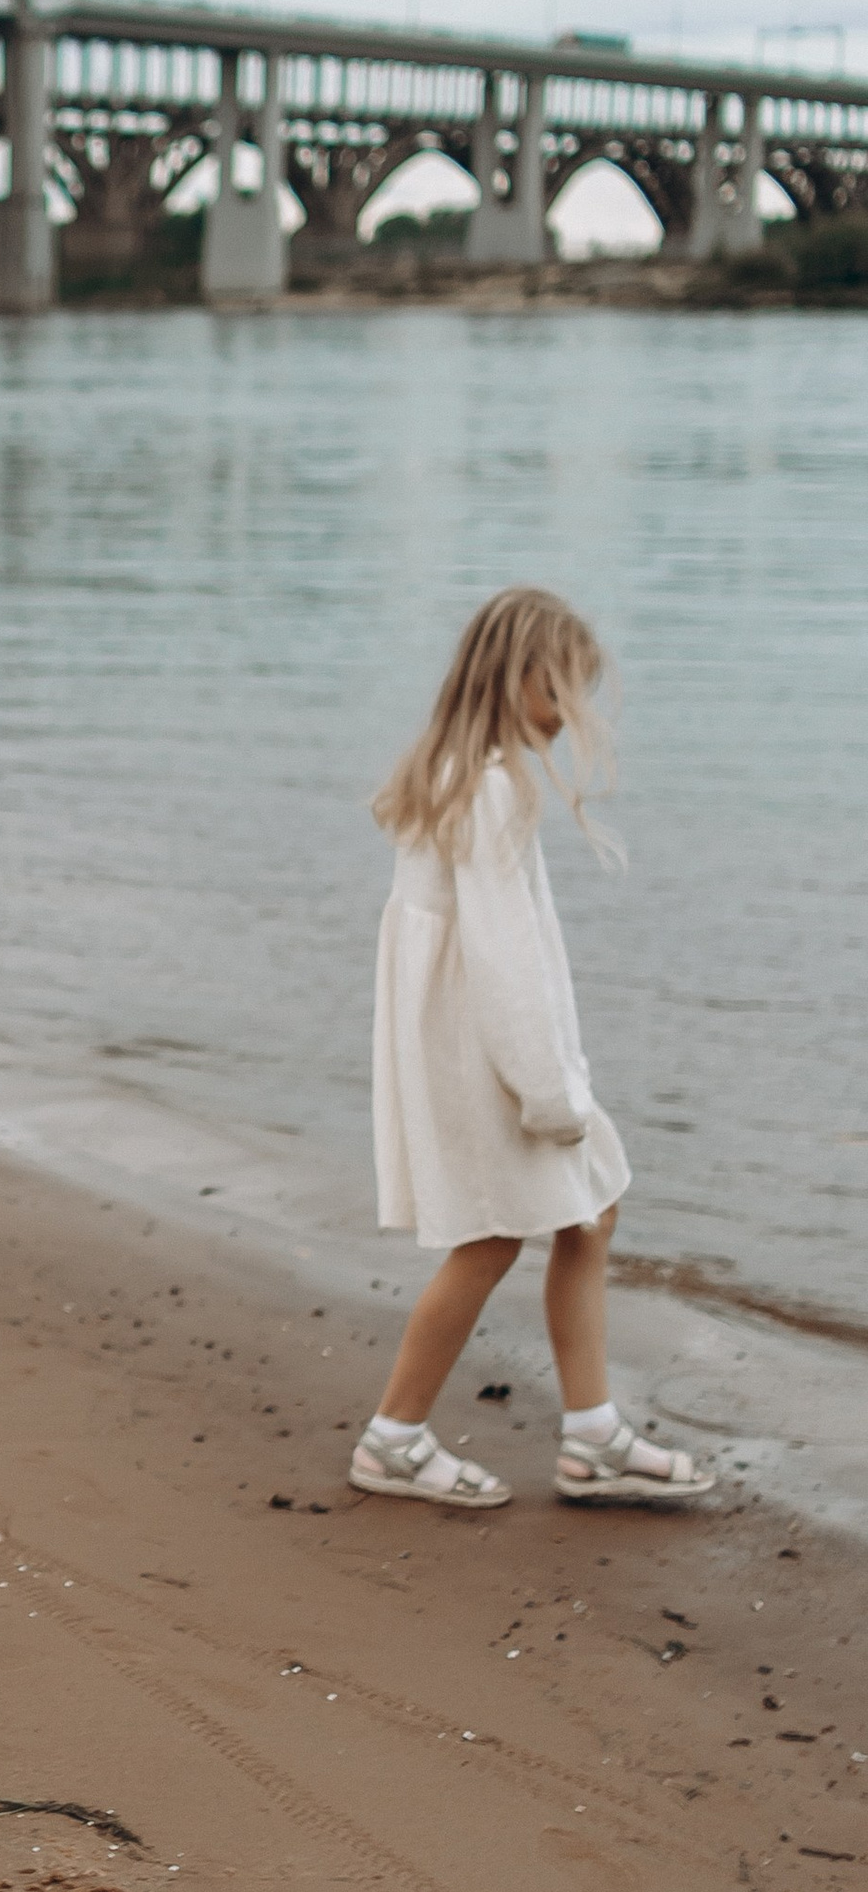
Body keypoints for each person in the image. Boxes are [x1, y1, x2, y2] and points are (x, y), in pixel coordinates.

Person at [353, 587, 715, 1513]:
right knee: (491, 1240)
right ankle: (394, 1437)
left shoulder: (459, 774)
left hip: (459, 1046)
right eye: (563, 691)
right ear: (519, 681)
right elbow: (506, 963)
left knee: (589, 1213)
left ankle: (592, 1435)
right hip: (487, 1055)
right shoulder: (495, 789)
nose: (571, 716)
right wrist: (549, 1090)